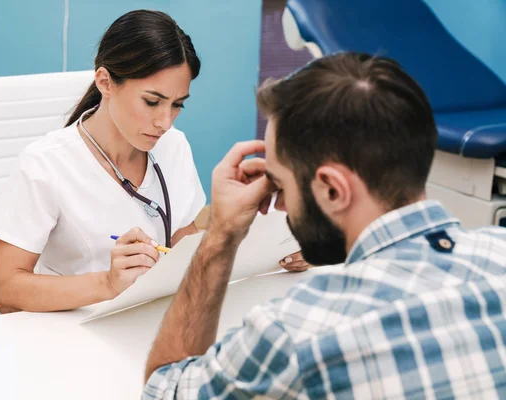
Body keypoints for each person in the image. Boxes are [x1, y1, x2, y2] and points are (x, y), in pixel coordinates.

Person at [142, 52, 506, 398]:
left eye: (281, 184)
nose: (279, 204)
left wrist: (221, 235)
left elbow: (164, 390)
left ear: (333, 189)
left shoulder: (299, 333)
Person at [0, 10, 307, 314]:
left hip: (149, 315)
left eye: (177, 105)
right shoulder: (45, 165)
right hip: (71, 325)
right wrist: (107, 283)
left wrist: (270, 250)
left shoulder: (173, 146)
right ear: (105, 82)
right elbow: (6, 290)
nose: (165, 122)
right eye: (152, 102)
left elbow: (182, 238)